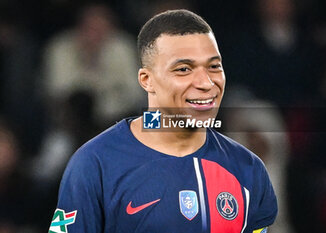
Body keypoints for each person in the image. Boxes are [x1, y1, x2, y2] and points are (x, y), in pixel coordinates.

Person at [49, 9, 277, 233]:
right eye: (184, 69)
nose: (206, 83)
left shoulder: (248, 169)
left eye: (214, 66)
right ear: (147, 80)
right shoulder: (94, 164)